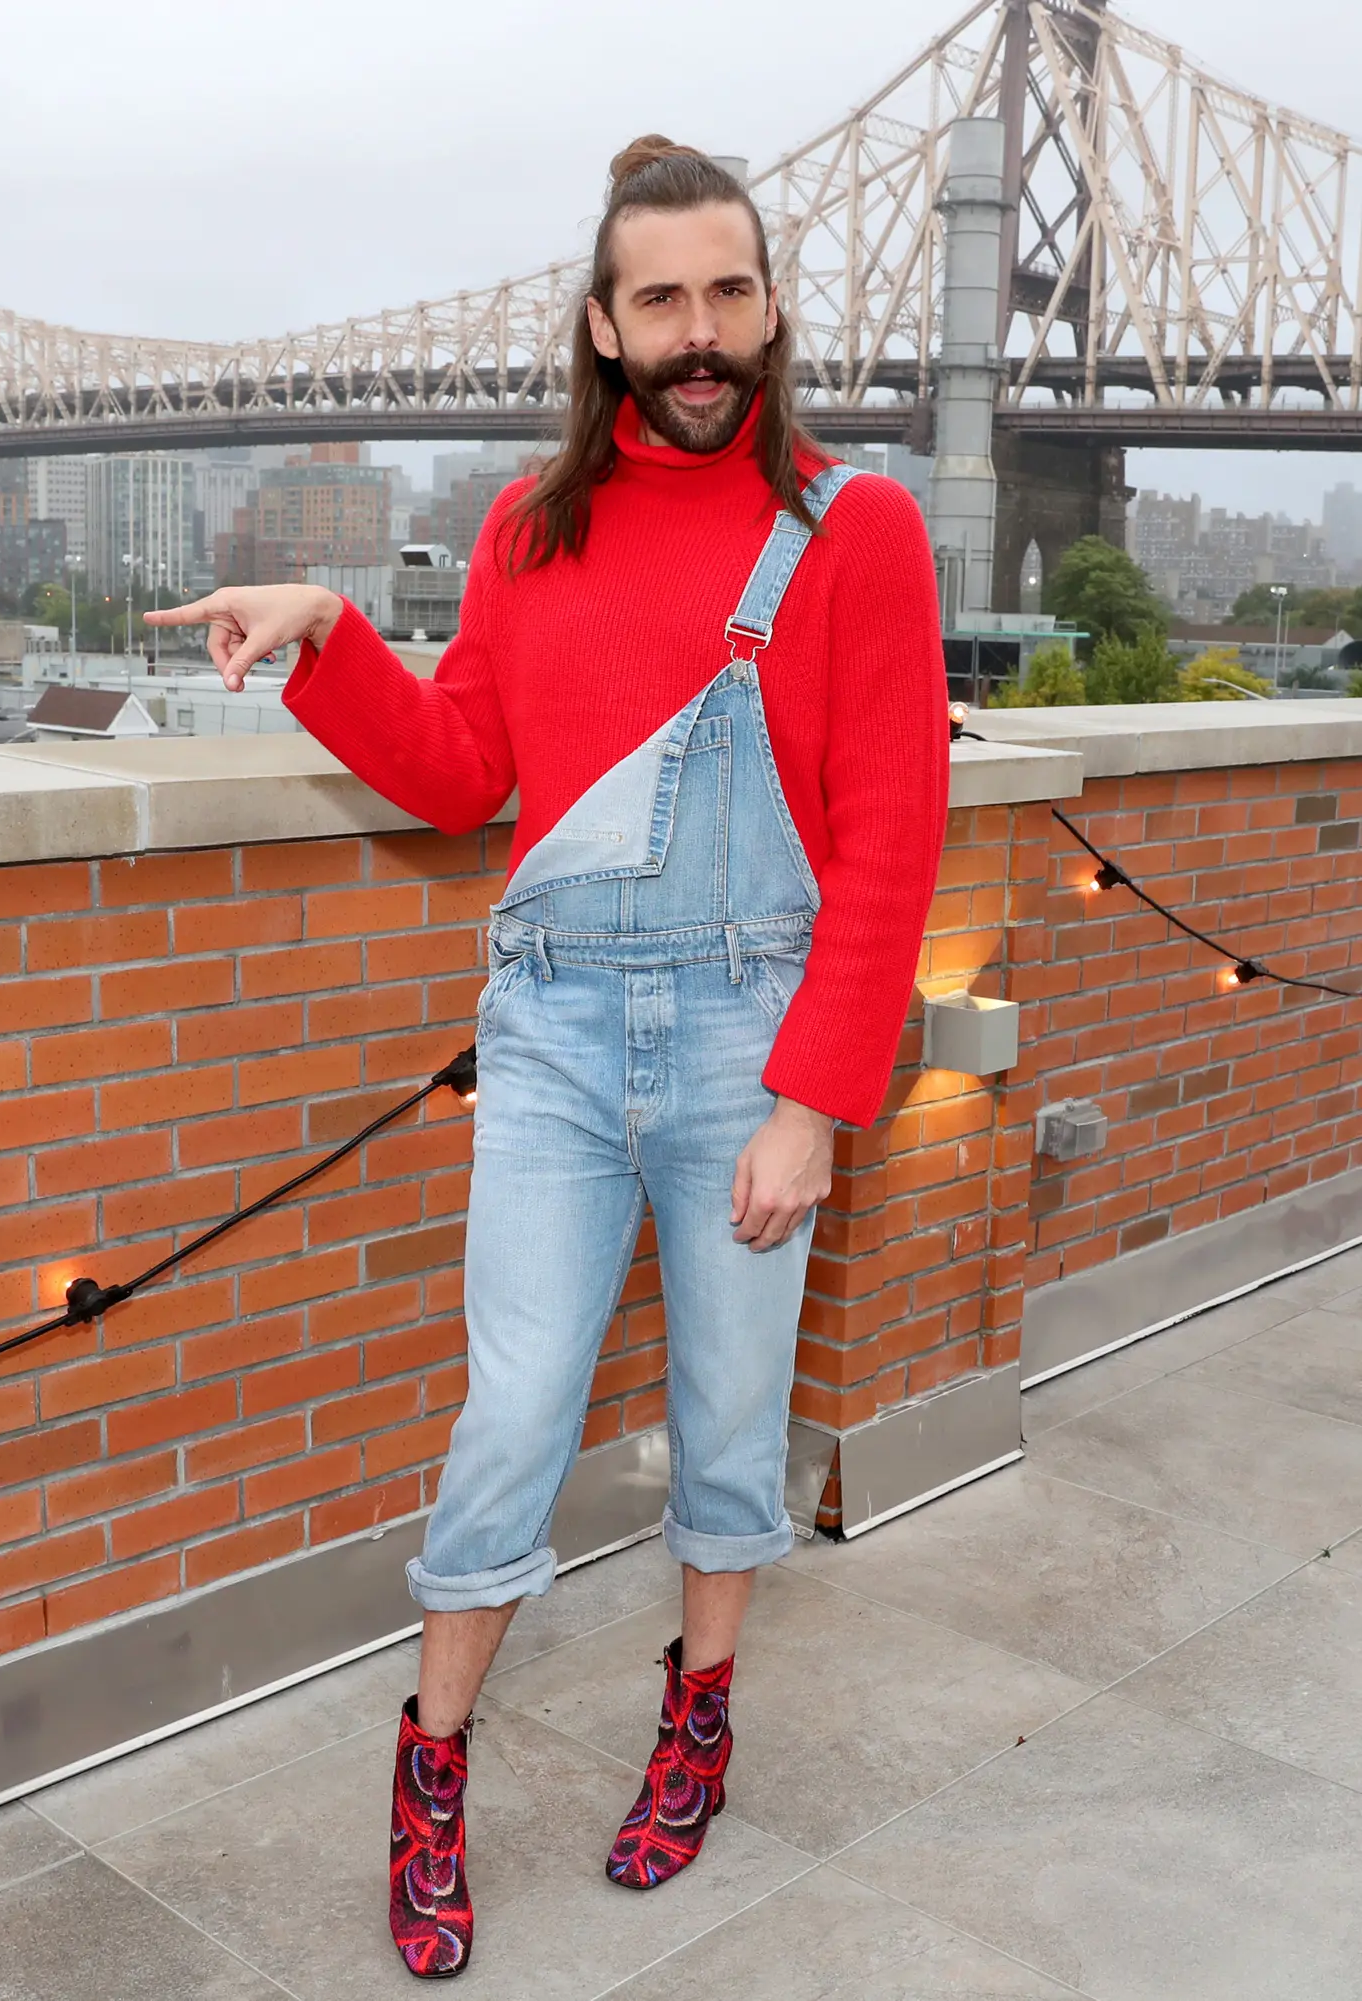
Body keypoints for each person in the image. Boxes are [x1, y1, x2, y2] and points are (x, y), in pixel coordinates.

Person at [149, 137, 946, 1979]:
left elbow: (892, 834)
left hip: (759, 1032)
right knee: (511, 1416)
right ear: (602, 327)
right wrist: (337, 634)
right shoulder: (528, 528)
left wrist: (818, 1101)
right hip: (560, 1030)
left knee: (735, 1423)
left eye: (727, 293)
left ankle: (702, 1717)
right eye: (658, 298)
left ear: (771, 310)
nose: (697, 333)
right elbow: (456, 778)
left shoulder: (860, 529)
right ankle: (431, 1769)